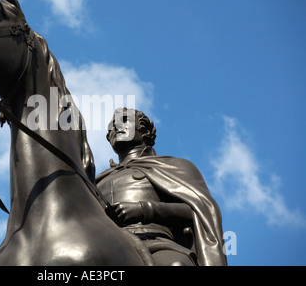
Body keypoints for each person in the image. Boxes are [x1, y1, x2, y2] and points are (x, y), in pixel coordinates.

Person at [96, 108, 227, 266]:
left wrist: (144, 210)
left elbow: (201, 210)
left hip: (155, 243)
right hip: (104, 246)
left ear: (144, 130)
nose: (115, 128)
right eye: (111, 127)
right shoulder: (97, 181)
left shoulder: (174, 166)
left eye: (124, 120)